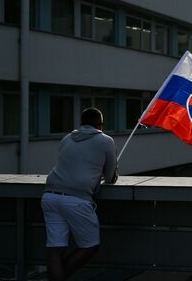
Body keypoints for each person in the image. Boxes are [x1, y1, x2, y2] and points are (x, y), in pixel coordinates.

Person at [41, 107, 118, 281]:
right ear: (101, 125)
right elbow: (110, 177)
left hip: (50, 195)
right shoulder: (106, 141)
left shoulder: (67, 138)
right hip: (76, 199)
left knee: (55, 250)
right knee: (90, 245)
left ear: (82, 124)